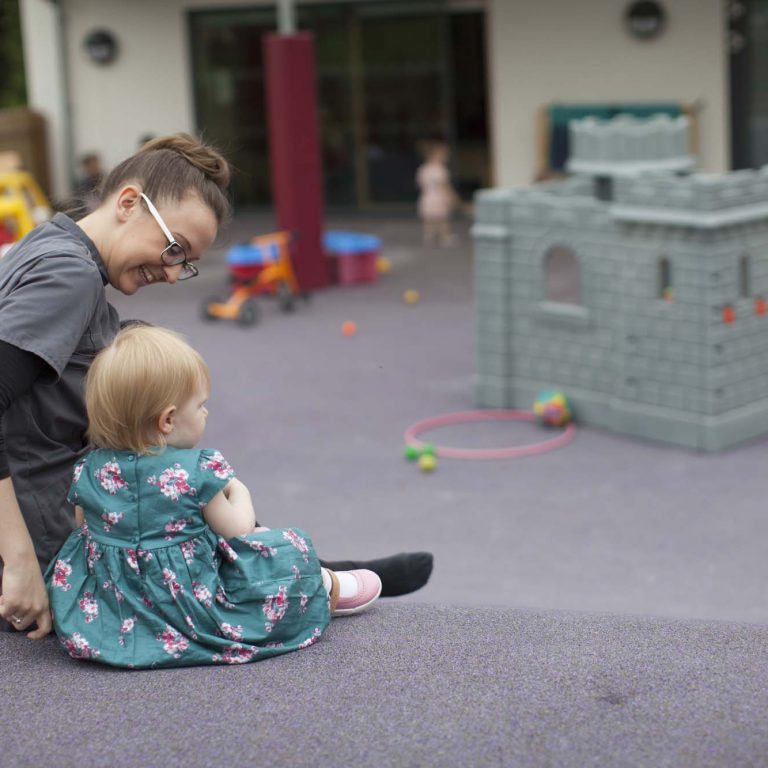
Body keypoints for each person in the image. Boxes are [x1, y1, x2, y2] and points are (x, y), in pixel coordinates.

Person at [0, 133, 433, 638]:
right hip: (59, 536)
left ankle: (308, 568)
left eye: (184, 263)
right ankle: (313, 579)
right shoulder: (69, 275)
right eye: (173, 249)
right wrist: (20, 560)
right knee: (199, 562)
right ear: (127, 202)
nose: (170, 272)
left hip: (70, 507)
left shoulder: (51, 242)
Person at [45, 325, 380, 667]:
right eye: (200, 405)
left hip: (112, 611)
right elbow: (237, 529)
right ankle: (324, 588)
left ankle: (135, 633)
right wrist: (238, 489)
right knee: (273, 545)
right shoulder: (194, 471)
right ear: (168, 420)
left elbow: (84, 528)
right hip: (191, 602)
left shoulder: (88, 469)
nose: (205, 412)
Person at [415, 140, 461, 247]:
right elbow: (444, 186)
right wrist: (452, 196)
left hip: (426, 197)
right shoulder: (440, 170)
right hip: (439, 197)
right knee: (443, 219)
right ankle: (445, 237)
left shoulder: (423, 169)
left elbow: (420, 184)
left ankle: (429, 236)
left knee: (429, 219)